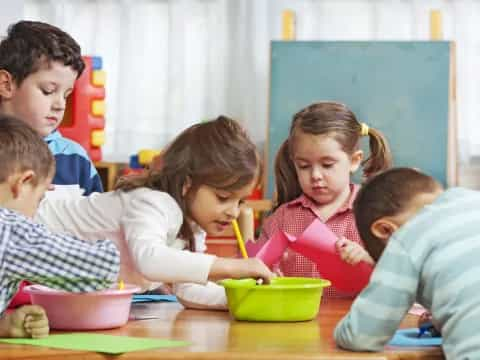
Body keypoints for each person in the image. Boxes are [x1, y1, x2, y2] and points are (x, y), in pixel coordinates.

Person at [36, 116, 274, 310]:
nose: (233, 212)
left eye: (240, 201)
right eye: (223, 198)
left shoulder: (192, 223)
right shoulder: (152, 202)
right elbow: (149, 260)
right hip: (28, 223)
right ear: (187, 184)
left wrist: (248, 300)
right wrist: (233, 268)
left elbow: (189, 289)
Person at [334, 167, 480, 359]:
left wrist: (339, 333)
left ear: (386, 230)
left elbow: (360, 335)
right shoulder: (473, 200)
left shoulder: (406, 237)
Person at [0, 115, 120, 338]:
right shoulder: (11, 230)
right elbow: (99, 270)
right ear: (22, 183)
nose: (36, 212)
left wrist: (6, 325)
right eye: (39, 199)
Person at [257, 101, 391, 297]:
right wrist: (267, 275)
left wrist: (368, 259)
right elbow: (256, 270)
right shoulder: (282, 219)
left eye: (327, 165)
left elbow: (402, 277)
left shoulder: (374, 214)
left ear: (354, 161)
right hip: (294, 322)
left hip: (355, 323)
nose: (315, 175)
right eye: (304, 166)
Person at [0, 20, 103, 195]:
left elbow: (97, 217)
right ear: (6, 85)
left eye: (66, 96)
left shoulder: (75, 158)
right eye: (48, 91)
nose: (60, 105)